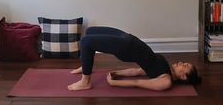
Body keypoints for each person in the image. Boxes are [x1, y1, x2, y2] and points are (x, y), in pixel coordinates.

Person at [68, 26, 201, 91]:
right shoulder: (166, 68)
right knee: (91, 31)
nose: (181, 63)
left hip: (126, 47)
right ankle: (86, 66)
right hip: (129, 39)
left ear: (183, 77)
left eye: (184, 66)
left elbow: (137, 82)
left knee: (86, 41)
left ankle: (85, 81)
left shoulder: (165, 81)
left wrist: (115, 83)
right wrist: (117, 73)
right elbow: (137, 71)